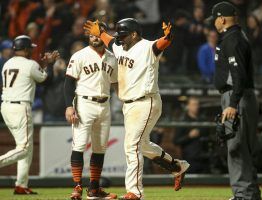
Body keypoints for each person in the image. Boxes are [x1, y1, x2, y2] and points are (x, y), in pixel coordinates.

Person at [84, 18, 190, 200]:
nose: (120, 39)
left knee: (131, 145)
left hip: (146, 101)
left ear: (134, 34)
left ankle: (135, 191)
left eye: (123, 35)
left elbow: (162, 43)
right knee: (142, 144)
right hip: (129, 105)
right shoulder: (119, 46)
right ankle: (177, 166)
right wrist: (100, 32)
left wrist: (169, 36)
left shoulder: (148, 47)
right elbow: (110, 40)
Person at [208, 2, 262, 200]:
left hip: (236, 97)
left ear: (221, 19)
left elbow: (238, 74)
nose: (213, 23)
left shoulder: (233, 39)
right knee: (241, 149)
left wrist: (232, 103)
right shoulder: (236, 37)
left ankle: (243, 195)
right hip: (239, 96)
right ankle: (250, 194)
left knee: (236, 148)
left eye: (214, 19)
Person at [64, 26, 118, 200]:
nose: (95, 38)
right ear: (88, 36)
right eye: (92, 35)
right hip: (84, 103)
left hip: (105, 104)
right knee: (79, 145)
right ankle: (77, 187)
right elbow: (68, 83)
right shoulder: (79, 55)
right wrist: (69, 106)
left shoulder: (112, 57)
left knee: (100, 148)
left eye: (98, 34)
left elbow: (116, 84)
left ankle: (94, 189)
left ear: (103, 36)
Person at [0, 35, 59, 194]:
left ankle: (21, 185)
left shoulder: (7, 63)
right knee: (25, 148)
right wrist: (50, 65)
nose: (32, 51)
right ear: (25, 49)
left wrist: (44, 65)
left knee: (27, 148)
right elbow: (46, 80)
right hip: (20, 108)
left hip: (6, 107)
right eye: (30, 49)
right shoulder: (30, 64)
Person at [174, 97, 208, 173]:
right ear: (188, 106)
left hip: (204, 157)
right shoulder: (183, 121)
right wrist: (189, 136)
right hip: (189, 158)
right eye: (193, 104)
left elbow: (208, 135)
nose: (196, 106)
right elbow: (176, 141)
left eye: (197, 104)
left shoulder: (203, 120)